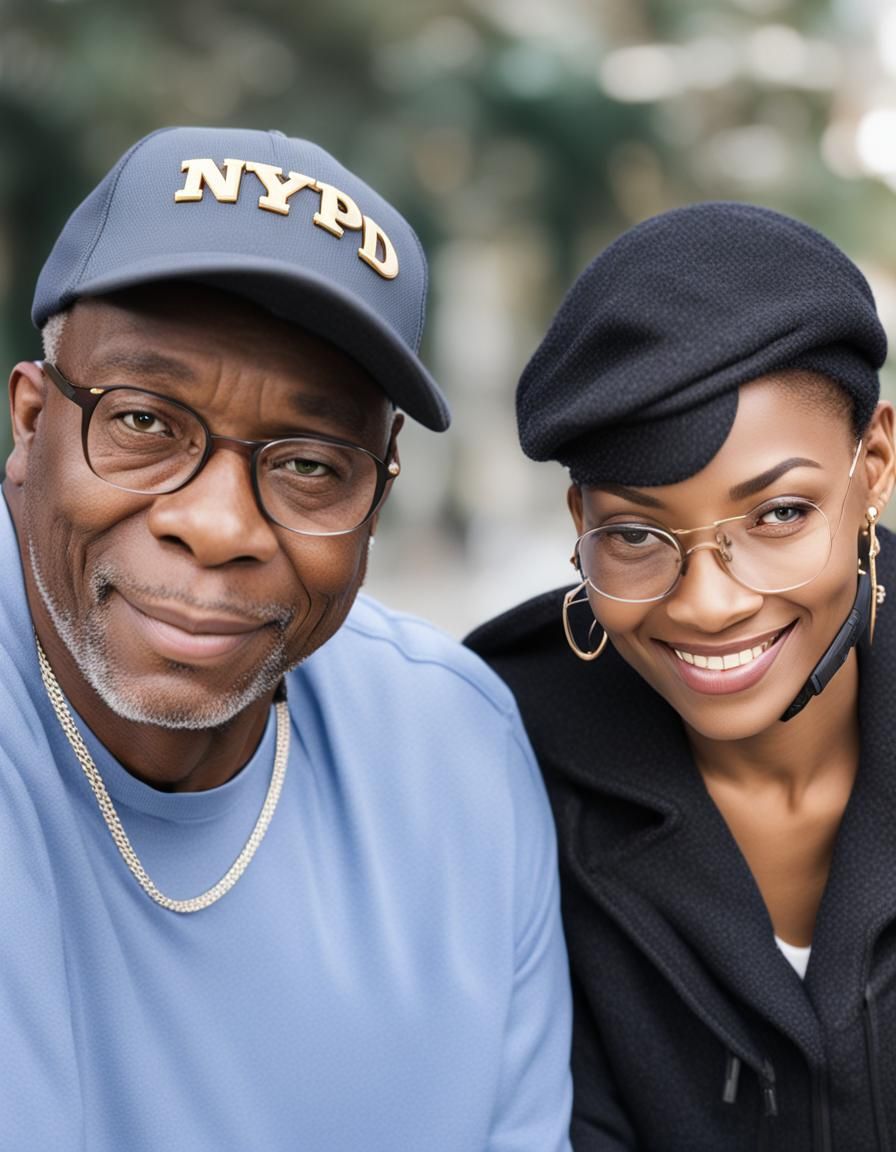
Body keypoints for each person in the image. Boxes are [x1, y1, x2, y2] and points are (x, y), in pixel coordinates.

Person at [0, 125, 572, 1151]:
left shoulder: (457, 754)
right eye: (143, 420)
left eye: (310, 464)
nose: (218, 526)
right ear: (30, 424)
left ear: (378, 493)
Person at [466, 202, 896, 1150]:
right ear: (578, 522)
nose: (707, 604)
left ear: (873, 464)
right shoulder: (500, 764)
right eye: (633, 535)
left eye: (780, 514)